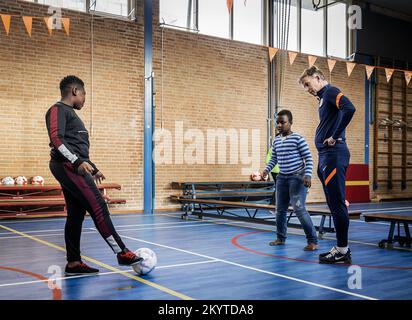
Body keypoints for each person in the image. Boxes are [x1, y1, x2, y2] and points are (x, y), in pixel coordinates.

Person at [45, 75, 143, 276]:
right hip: (67, 166)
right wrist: (77, 162)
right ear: (74, 91)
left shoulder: (71, 114)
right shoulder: (57, 110)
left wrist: (92, 166)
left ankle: (73, 263)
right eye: (84, 94)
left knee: (76, 214)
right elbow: (56, 138)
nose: (84, 99)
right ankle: (122, 252)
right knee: (98, 207)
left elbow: (76, 147)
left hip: (73, 165)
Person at [299, 66, 356, 264]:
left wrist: (335, 135)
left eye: (308, 84)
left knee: (338, 204)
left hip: (334, 154)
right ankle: (341, 248)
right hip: (325, 156)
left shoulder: (331, 91)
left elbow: (350, 108)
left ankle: (342, 249)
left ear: (317, 77)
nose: (308, 89)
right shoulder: (323, 98)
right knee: (333, 204)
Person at [261, 110, 318, 251]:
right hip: (282, 178)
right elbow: (274, 158)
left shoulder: (298, 138)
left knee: (299, 209)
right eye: (277, 122)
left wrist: (308, 175)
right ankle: (280, 238)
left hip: (297, 178)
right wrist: (266, 170)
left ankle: (312, 241)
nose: (279, 125)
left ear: (290, 123)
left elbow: (309, 159)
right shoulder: (276, 140)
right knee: (280, 210)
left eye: (283, 122)